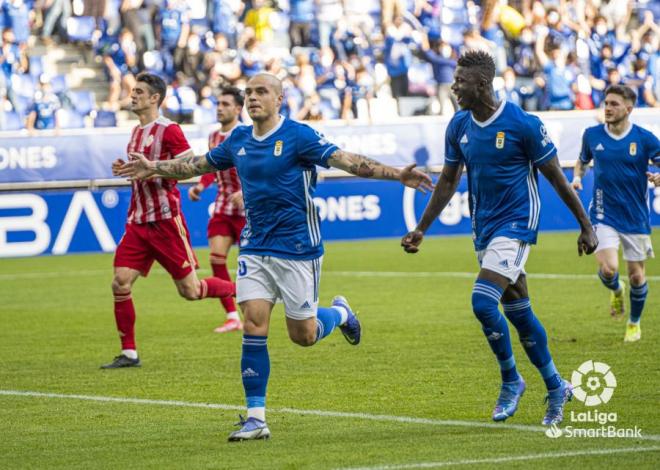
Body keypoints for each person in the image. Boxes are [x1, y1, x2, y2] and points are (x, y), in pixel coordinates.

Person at [115, 72, 433, 440]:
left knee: (304, 334)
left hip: (298, 248)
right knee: (253, 322)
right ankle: (256, 417)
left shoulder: (299, 136)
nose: (252, 98)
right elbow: (196, 165)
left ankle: (342, 313)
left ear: (279, 99)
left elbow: (347, 161)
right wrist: (153, 167)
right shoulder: (240, 139)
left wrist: (396, 174)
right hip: (256, 246)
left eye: (261, 92)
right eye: (248, 92)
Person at [401, 51, 598, 426]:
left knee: (482, 302)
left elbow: (556, 176)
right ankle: (556, 385)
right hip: (484, 227)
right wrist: (422, 229)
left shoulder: (523, 123)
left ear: (482, 83)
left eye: (460, 81)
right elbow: (447, 180)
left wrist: (585, 225)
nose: (455, 86)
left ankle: (511, 380)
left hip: (517, 222)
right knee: (518, 311)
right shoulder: (458, 125)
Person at [104, 73, 235, 369]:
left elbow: (190, 167)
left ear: (154, 98)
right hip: (137, 222)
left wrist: (154, 169)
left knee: (191, 291)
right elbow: (143, 170)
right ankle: (129, 353)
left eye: (139, 91)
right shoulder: (136, 132)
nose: (133, 94)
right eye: (133, 90)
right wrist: (125, 168)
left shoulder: (170, 130)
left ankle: (244, 290)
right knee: (120, 282)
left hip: (165, 222)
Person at [571, 85, 660, 342]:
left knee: (636, 275)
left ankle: (634, 322)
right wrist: (577, 177)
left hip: (634, 215)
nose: (608, 108)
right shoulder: (592, 135)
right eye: (606, 103)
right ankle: (615, 289)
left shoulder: (644, 138)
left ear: (628, 109)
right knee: (609, 269)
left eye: (614, 104)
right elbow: (582, 160)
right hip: (602, 212)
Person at [188, 87, 246, 334]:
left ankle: (254, 307)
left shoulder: (246, 134)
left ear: (237, 109)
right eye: (218, 103)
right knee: (216, 258)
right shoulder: (213, 137)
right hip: (223, 206)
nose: (219, 107)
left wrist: (247, 193)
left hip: (249, 209)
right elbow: (213, 166)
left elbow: (258, 168)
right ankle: (233, 316)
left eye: (225, 103)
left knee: (253, 265)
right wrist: (201, 185)